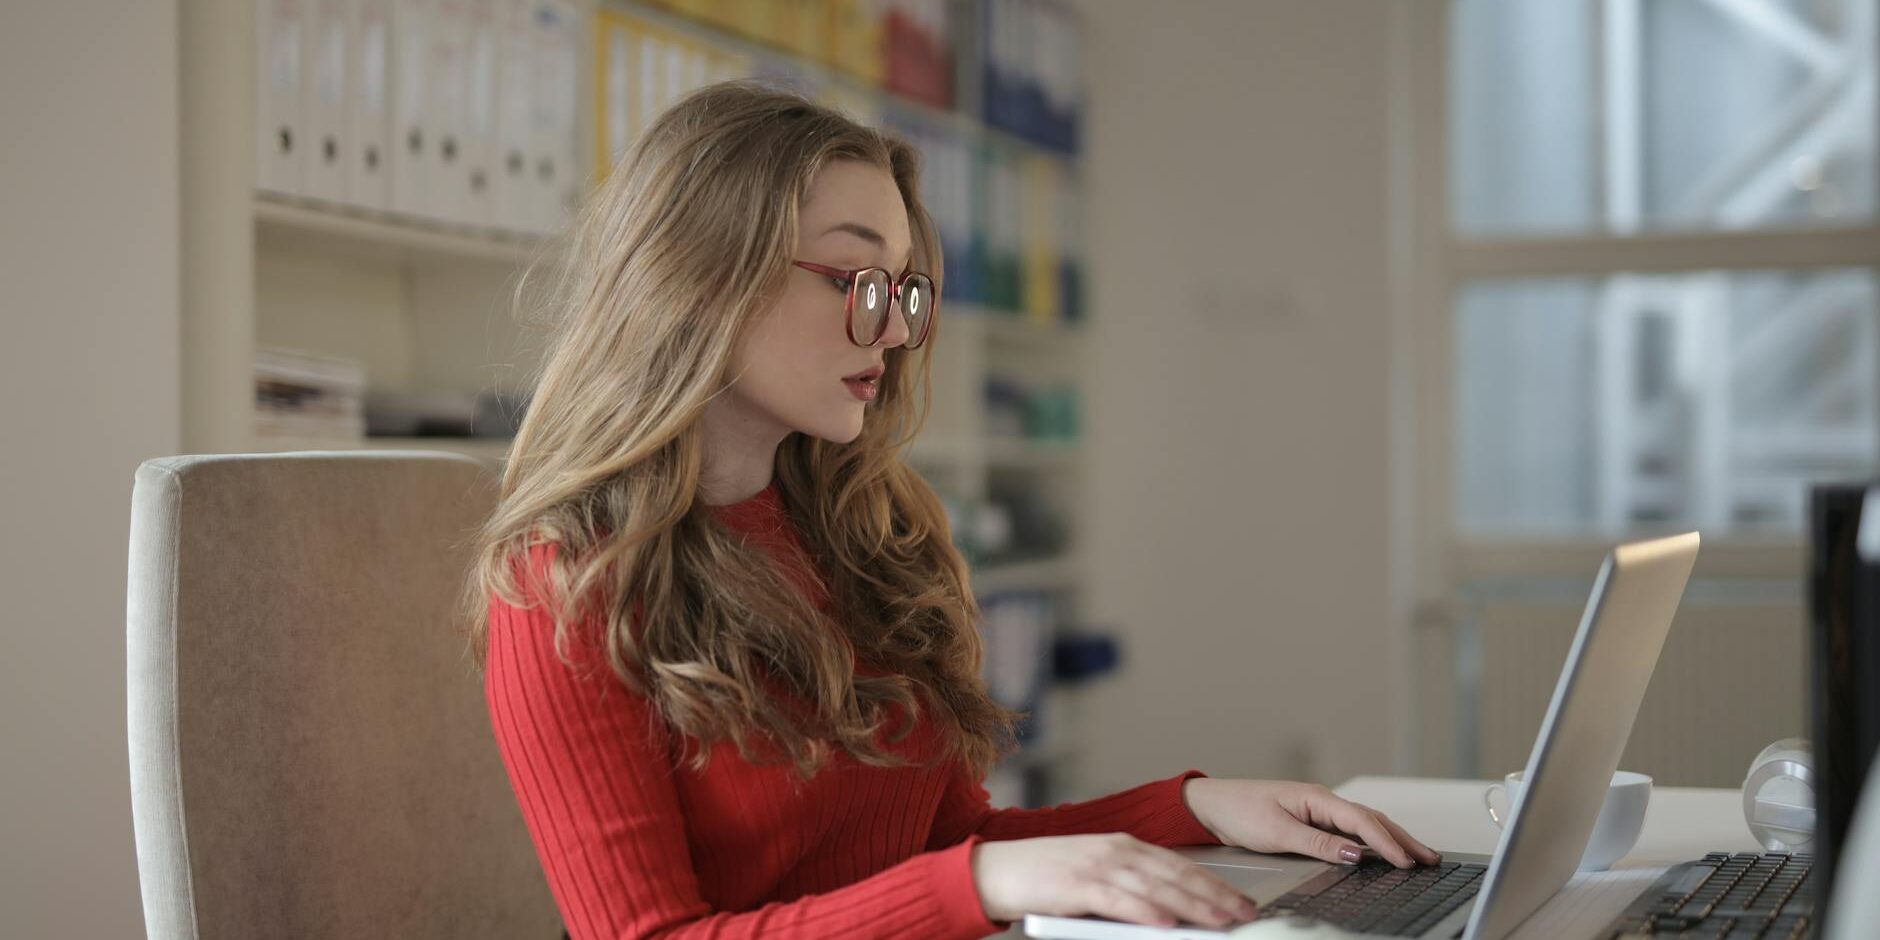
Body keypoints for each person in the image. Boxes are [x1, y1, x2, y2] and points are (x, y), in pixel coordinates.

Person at [461, 81, 1439, 940]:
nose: (890, 328)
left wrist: (1195, 806)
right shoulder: (564, 585)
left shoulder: (859, 531)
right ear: (703, 277)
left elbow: (950, 851)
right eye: (857, 282)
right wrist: (977, 881)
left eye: (903, 290)